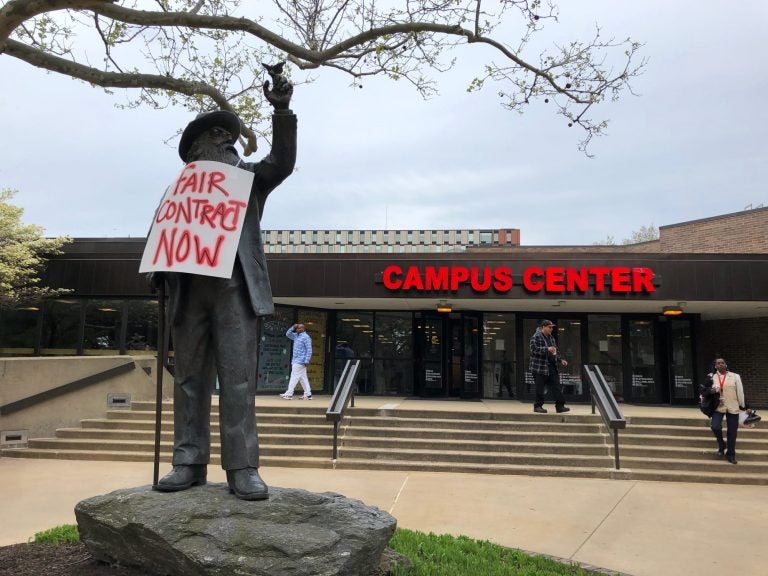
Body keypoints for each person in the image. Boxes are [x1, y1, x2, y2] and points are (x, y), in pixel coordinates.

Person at [153, 64, 296, 500]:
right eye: (197, 146)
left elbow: (282, 162)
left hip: (235, 291)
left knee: (237, 381)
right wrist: (158, 272)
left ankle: (242, 468)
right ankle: (187, 461)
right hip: (189, 293)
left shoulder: (248, 179)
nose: (202, 151)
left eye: (206, 142)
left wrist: (283, 112)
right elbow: (161, 239)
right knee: (189, 379)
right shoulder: (181, 191)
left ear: (220, 141)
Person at [709, 356, 746, 464]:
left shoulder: (735, 376)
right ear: (715, 366)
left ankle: (731, 454)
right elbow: (705, 391)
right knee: (715, 426)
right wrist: (710, 391)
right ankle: (721, 444)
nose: (721, 364)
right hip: (718, 407)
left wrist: (743, 406)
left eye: (722, 363)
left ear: (726, 365)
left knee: (732, 432)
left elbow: (740, 392)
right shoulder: (711, 377)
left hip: (733, 406)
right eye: (718, 363)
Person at [529, 319, 569, 414]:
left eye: (552, 327)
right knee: (540, 388)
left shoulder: (551, 338)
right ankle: (538, 406)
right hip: (539, 367)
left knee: (556, 387)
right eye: (549, 327)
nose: (551, 329)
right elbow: (534, 350)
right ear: (543, 327)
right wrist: (547, 349)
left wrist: (561, 360)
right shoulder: (536, 337)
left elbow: (555, 351)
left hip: (551, 367)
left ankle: (560, 406)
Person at [281, 323, 313, 399]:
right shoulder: (296, 336)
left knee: (294, 376)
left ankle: (289, 394)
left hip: (301, 360)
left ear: (303, 329)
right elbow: (288, 334)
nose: (298, 329)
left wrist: (306, 360)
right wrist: (293, 327)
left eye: (299, 328)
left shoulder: (306, 337)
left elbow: (309, 350)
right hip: (296, 360)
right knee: (303, 378)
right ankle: (308, 395)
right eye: (297, 328)